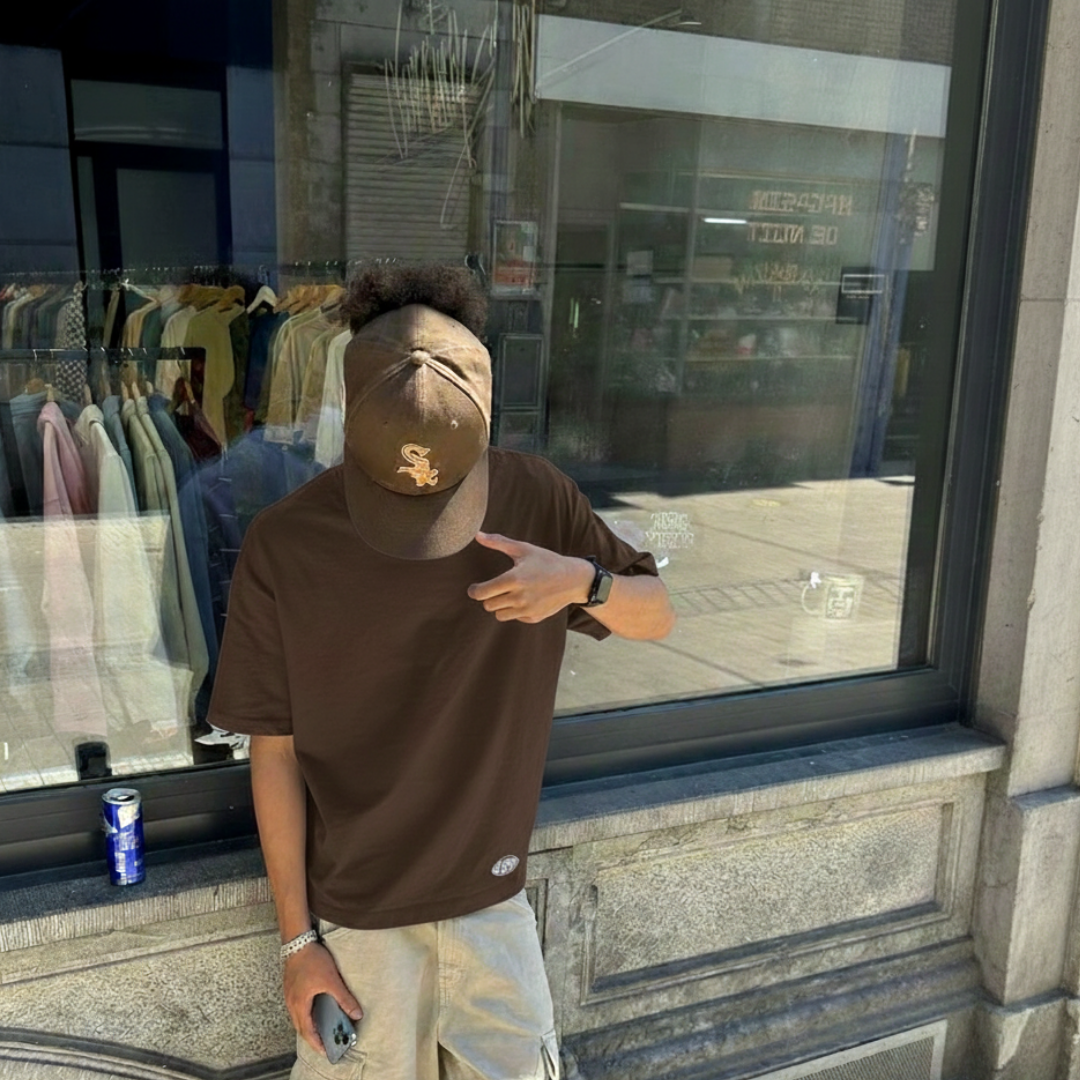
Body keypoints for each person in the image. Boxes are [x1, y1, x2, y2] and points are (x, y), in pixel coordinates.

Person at [208, 264, 675, 1080]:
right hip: (356, 929)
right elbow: (272, 752)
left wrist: (581, 583)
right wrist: (297, 942)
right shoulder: (287, 543)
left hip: (494, 911)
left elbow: (657, 612)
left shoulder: (536, 500)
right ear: (350, 412)